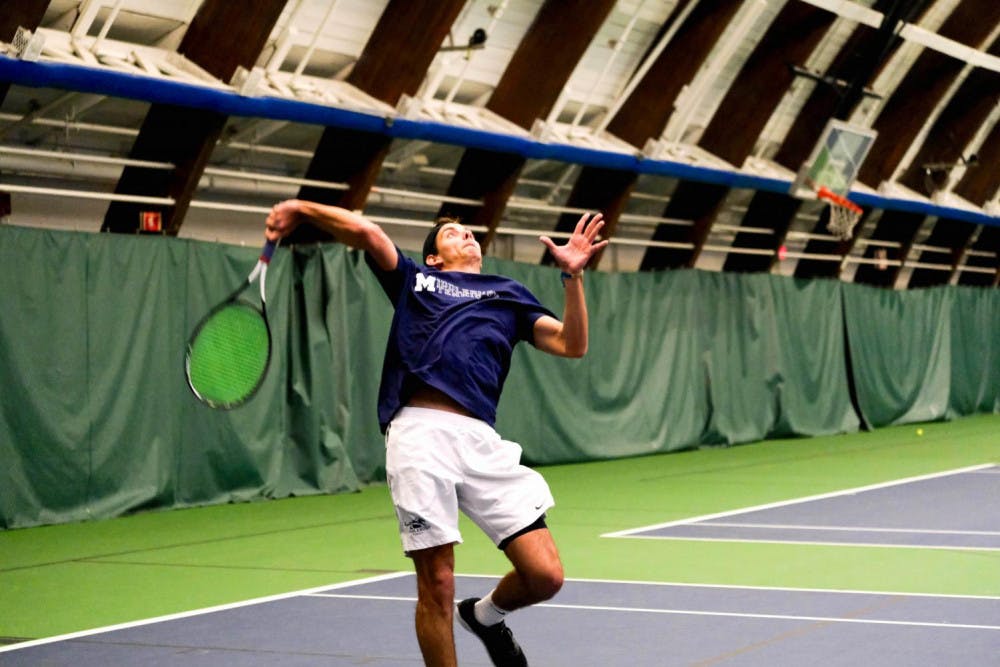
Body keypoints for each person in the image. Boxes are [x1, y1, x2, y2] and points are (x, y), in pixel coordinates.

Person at [265, 201, 608, 667]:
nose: (466, 235)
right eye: (452, 233)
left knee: (545, 575)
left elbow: (573, 344)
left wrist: (573, 277)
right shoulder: (414, 281)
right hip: (419, 434)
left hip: (480, 440)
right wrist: (300, 209)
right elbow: (366, 232)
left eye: (469, 231)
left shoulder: (508, 294)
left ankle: (485, 617)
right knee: (438, 582)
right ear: (433, 257)